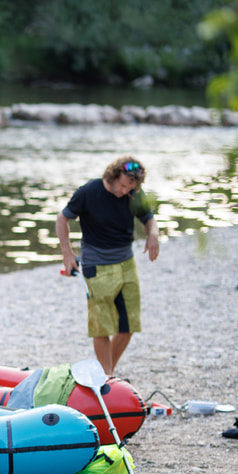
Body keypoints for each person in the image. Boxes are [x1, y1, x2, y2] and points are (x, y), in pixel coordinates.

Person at [56, 156, 161, 375]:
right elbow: (62, 219)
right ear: (112, 176)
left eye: (130, 187)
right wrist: (68, 253)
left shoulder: (134, 194)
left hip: (126, 264)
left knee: (129, 326)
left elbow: (149, 218)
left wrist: (153, 234)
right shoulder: (88, 192)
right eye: (122, 185)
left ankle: (105, 375)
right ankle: (107, 377)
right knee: (101, 327)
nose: (125, 192)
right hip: (97, 266)